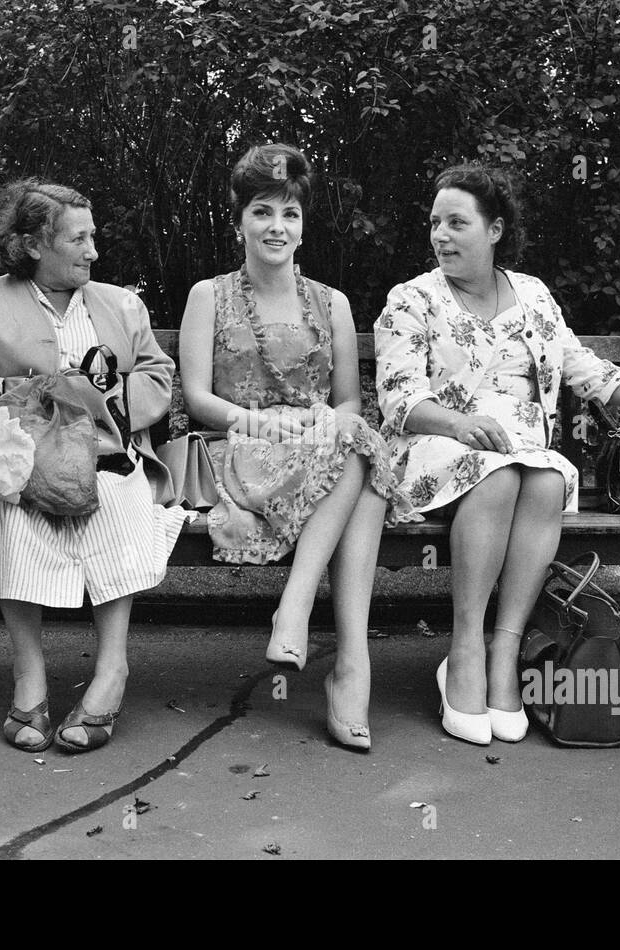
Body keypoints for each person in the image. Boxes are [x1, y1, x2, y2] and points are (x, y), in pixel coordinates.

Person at [375, 163, 620, 745]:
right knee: (500, 476)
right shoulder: (412, 299)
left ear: (494, 230)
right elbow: (398, 400)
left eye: (456, 223)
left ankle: (507, 650)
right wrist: (464, 424)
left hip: (523, 461)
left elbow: (591, 374)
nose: (440, 235)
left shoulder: (535, 296)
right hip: (436, 449)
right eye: (435, 223)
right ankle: (465, 649)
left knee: (545, 478)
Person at [0, 179, 192, 754]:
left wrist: (107, 401)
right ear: (35, 244)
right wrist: (15, 391)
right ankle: (29, 675)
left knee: (114, 503)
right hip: (16, 459)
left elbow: (157, 375)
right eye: (79, 239)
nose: (94, 251)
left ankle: (112, 671)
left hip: (106, 456)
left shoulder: (121, 303)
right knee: (18, 509)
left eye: (94, 238)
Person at [178, 144, 419, 751]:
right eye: (262, 212)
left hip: (319, 451)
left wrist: (321, 427)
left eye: (289, 214)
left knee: (355, 445)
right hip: (239, 447)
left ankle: (305, 619)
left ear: (304, 226)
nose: (276, 227)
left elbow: (347, 404)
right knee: (363, 466)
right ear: (239, 222)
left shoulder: (331, 303)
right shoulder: (209, 295)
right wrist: (263, 425)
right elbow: (197, 399)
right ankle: (346, 667)